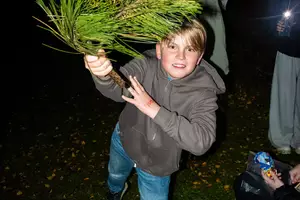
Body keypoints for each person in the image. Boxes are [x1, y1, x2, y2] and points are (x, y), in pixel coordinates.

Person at [84, 19, 225, 200]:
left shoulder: (204, 92)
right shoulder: (145, 64)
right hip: (124, 139)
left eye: (190, 49)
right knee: (115, 175)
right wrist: (103, 73)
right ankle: (115, 191)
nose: (181, 56)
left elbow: (201, 142)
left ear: (199, 56)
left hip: (159, 164)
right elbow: (118, 88)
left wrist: (153, 108)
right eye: (173, 46)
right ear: (159, 50)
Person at [268, 0, 300, 154]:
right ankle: (282, 139)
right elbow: (273, 11)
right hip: (287, 46)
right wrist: (276, 26)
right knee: (284, 94)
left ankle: (298, 139)